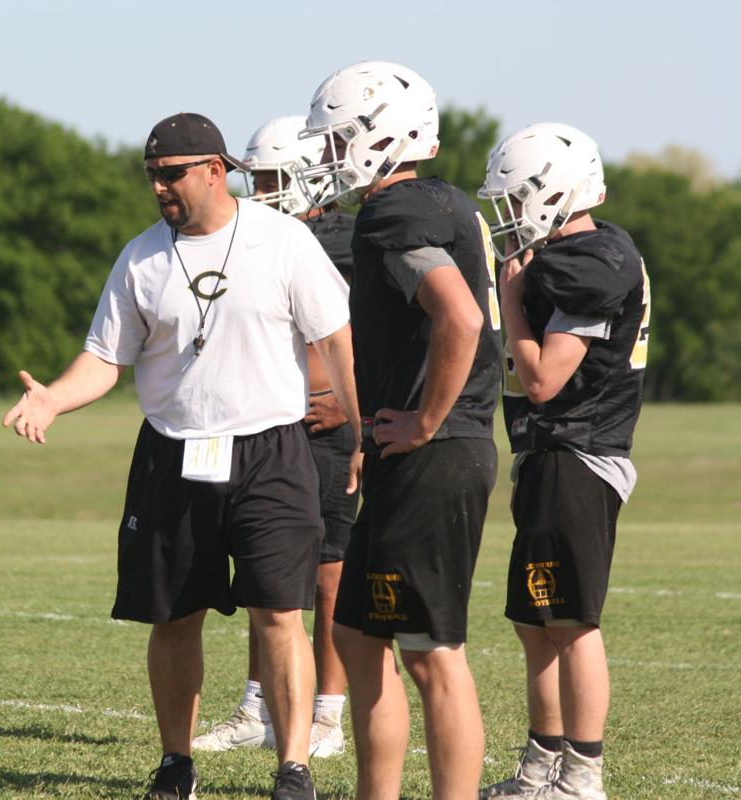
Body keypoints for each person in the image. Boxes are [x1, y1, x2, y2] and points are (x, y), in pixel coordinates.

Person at [3, 112, 362, 800]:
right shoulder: (141, 257)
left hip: (272, 451)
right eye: (151, 176)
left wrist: (361, 430)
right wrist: (53, 398)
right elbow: (105, 358)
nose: (159, 187)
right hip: (172, 453)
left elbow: (337, 340)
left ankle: (293, 769)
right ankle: (176, 764)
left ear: (215, 171)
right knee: (172, 617)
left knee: (279, 613)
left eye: (171, 174)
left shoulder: (282, 240)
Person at [298, 61, 503, 799]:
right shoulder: (442, 202)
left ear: (376, 136)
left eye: (336, 140)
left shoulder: (396, 213)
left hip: (435, 450)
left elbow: (461, 317)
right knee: (357, 636)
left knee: (432, 653)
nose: (328, 155)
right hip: (424, 450)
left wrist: (425, 419)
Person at [477, 123, 648, 800]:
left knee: (572, 622)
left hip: (579, 454)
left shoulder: (592, 262)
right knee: (536, 621)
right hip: (551, 454)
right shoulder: (575, 254)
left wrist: (511, 302)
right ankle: (541, 765)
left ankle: (581, 775)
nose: (510, 215)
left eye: (517, 198)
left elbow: (544, 378)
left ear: (554, 192)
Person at [192, 115, 357, 760]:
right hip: (266, 426)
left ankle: (328, 714)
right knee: (267, 578)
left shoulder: (346, 240)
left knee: (327, 573)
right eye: (255, 178)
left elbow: (367, 334)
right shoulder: (256, 237)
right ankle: (258, 707)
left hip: (321, 425)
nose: (259, 191)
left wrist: (351, 403)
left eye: (270, 178)